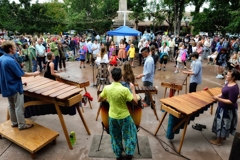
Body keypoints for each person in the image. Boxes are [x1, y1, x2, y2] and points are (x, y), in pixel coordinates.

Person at [98, 68, 138, 160]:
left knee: (115, 137)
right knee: (130, 135)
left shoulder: (107, 88)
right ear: (121, 77)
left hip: (112, 117)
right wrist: (133, 89)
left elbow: (99, 99)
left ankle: (118, 155)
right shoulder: (125, 90)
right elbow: (135, 102)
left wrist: (108, 98)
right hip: (125, 117)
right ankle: (129, 154)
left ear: (111, 77)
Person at [0, 40, 40, 130]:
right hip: (14, 87)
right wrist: (34, 73)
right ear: (10, 49)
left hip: (6, 86)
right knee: (19, 107)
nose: (16, 49)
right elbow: (21, 74)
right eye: (14, 47)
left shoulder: (1, 58)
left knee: (11, 105)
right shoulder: (11, 61)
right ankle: (22, 125)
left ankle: (14, 122)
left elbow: (7, 73)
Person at [210, 69, 239, 146]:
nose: (226, 75)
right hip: (222, 108)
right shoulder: (228, 83)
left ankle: (218, 141)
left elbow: (231, 101)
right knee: (221, 124)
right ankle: (222, 137)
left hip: (227, 111)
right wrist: (217, 96)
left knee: (223, 125)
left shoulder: (234, 88)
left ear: (233, 77)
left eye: (228, 75)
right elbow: (223, 93)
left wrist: (218, 99)